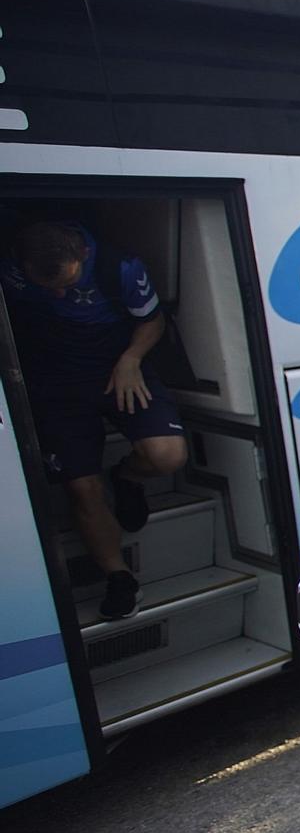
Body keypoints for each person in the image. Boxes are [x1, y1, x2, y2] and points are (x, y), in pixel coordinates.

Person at [2, 221, 187, 620]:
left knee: (167, 456)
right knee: (82, 488)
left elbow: (152, 320)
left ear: (82, 255)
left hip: (118, 363)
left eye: (67, 284)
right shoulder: (10, 264)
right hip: (52, 378)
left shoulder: (118, 266)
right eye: (47, 286)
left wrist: (131, 358)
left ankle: (128, 478)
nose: (58, 294)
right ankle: (120, 578)